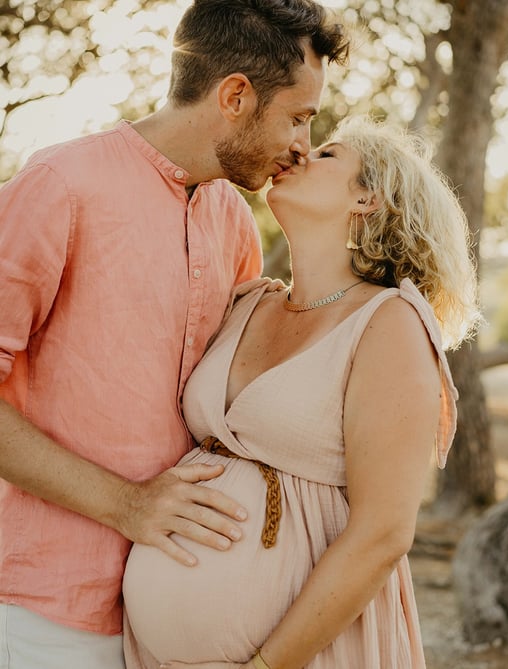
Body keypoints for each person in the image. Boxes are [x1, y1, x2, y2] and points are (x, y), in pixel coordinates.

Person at [0, 1, 349, 667]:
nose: (302, 143)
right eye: (298, 117)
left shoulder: (233, 222)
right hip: (50, 612)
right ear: (236, 95)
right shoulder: (61, 184)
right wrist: (127, 505)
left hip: (167, 615)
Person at [122, 114, 481, 669]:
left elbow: (384, 533)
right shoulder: (248, 302)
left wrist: (268, 666)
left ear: (368, 200)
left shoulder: (389, 323)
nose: (299, 154)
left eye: (329, 154)